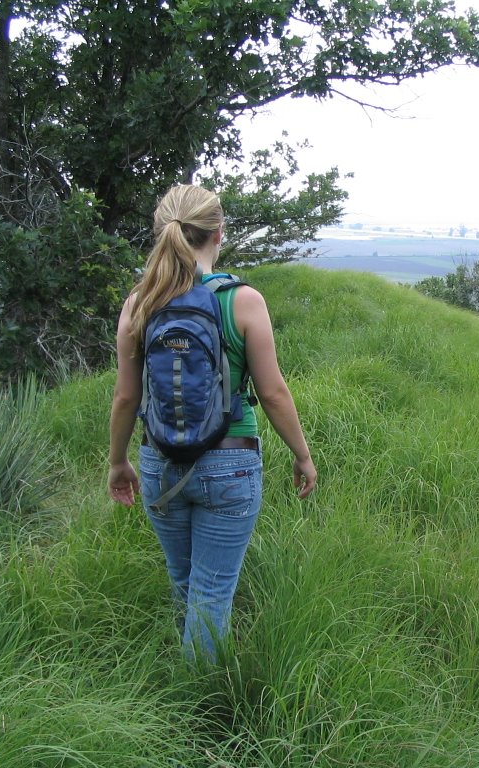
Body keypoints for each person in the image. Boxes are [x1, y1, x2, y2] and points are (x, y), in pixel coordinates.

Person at [107, 183, 317, 661]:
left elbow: (125, 397)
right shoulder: (242, 300)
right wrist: (302, 456)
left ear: (162, 235)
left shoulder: (139, 303)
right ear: (219, 234)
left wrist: (118, 462)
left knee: (185, 584)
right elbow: (272, 393)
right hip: (231, 464)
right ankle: (198, 716)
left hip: (159, 461)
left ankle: (185, 690)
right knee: (212, 594)